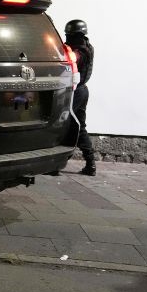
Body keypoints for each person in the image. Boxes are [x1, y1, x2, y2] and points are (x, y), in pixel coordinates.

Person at [65, 19, 96, 176]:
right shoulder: (87, 46)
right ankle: (90, 163)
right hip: (81, 91)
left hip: (76, 92)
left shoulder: (81, 50)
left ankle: (59, 162)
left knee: (67, 124)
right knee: (78, 126)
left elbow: (72, 59)